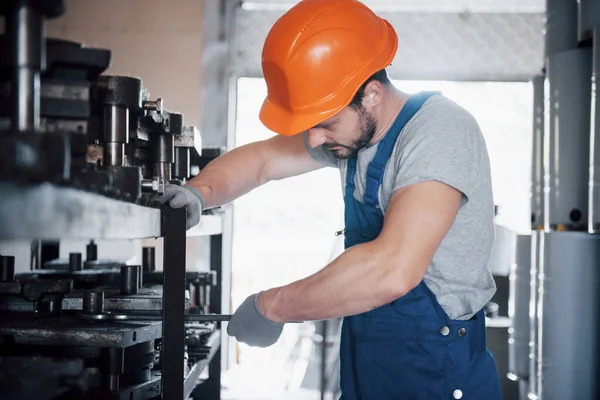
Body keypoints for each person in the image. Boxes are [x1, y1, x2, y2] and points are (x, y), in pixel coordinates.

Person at [158, 0, 502, 398]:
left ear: (371, 93)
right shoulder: (353, 133)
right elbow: (263, 160)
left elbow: (392, 269)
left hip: (437, 373)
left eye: (325, 123)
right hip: (371, 366)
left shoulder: (439, 133)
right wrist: (199, 192)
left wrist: (273, 306)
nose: (314, 139)